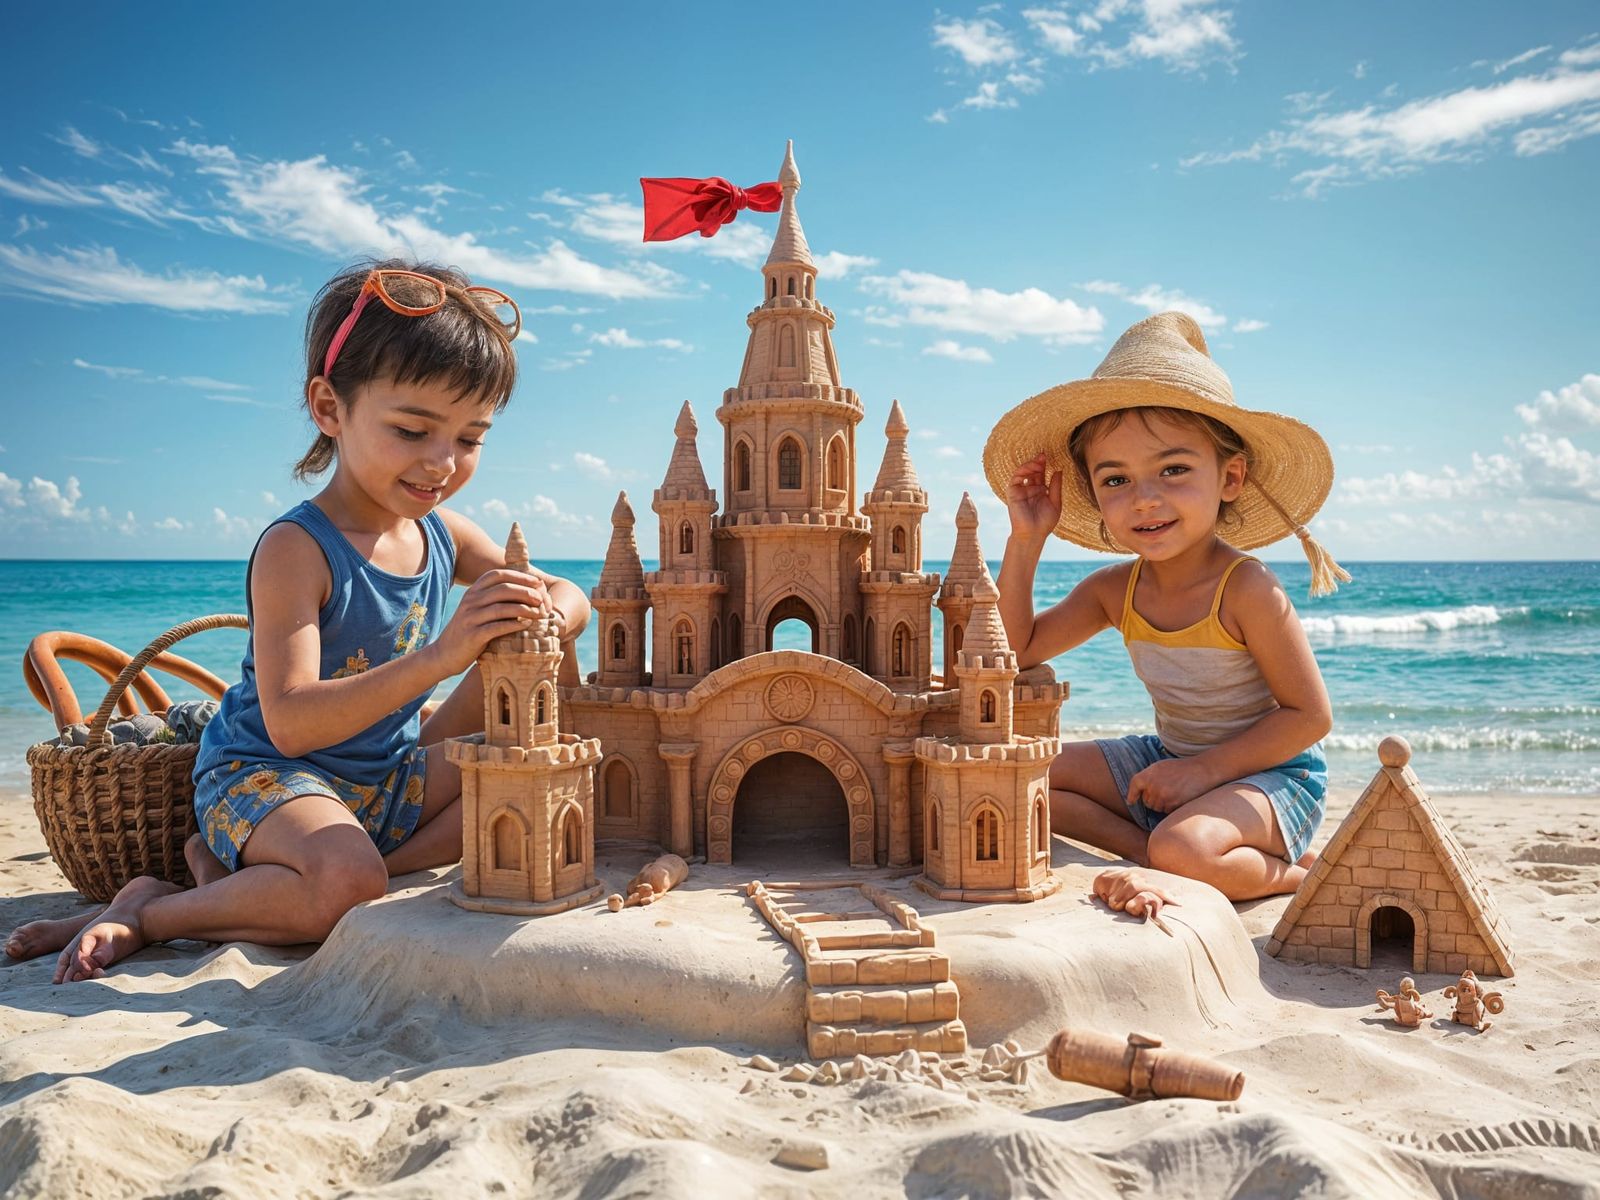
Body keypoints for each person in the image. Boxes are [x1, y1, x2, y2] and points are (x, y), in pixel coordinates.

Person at [20, 260, 590, 982]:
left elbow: (570, 593)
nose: (443, 462)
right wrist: (442, 656)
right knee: (348, 882)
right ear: (329, 408)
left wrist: (545, 614)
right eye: (412, 429)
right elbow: (289, 722)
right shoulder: (299, 548)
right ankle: (150, 910)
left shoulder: (443, 533)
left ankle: (250, 883)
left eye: (470, 438)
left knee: (522, 782)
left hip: (388, 777)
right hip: (270, 777)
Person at [984, 311, 1346, 903]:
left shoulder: (1247, 588)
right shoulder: (1113, 590)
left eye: (1173, 469)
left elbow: (1309, 717)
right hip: (1170, 757)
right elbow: (1014, 651)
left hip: (1275, 775)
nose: (1145, 499)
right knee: (1017, 776)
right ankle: (1152, 848)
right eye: (1116, 480)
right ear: (1093, 493)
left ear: (1230, 478)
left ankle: (1297, 875)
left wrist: (1202, 773)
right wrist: (1026, 540)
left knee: (1185, 850)